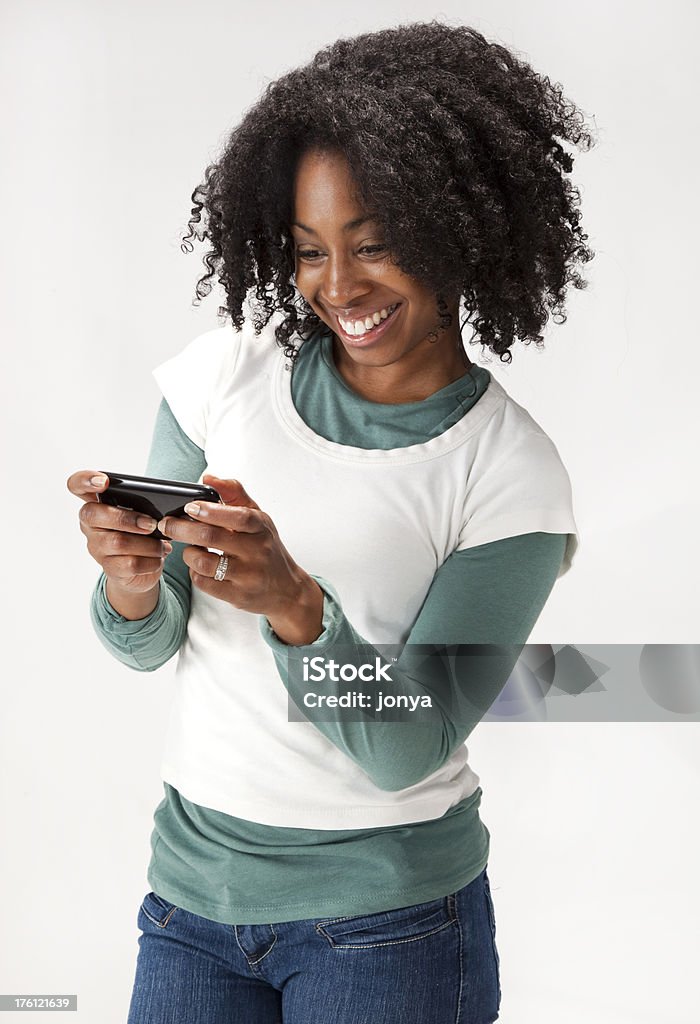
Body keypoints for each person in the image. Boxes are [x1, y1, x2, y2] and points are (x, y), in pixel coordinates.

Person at [67, 20, 595, 1024]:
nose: (339, 288)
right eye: (311, 251)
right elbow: (150, 642)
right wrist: (132, 578)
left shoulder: (508, 474)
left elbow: (411, 746)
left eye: (378, 244)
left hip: (386, 924)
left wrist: (298, 607)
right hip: (189, 903)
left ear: (460, 232)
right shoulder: (228, 371)